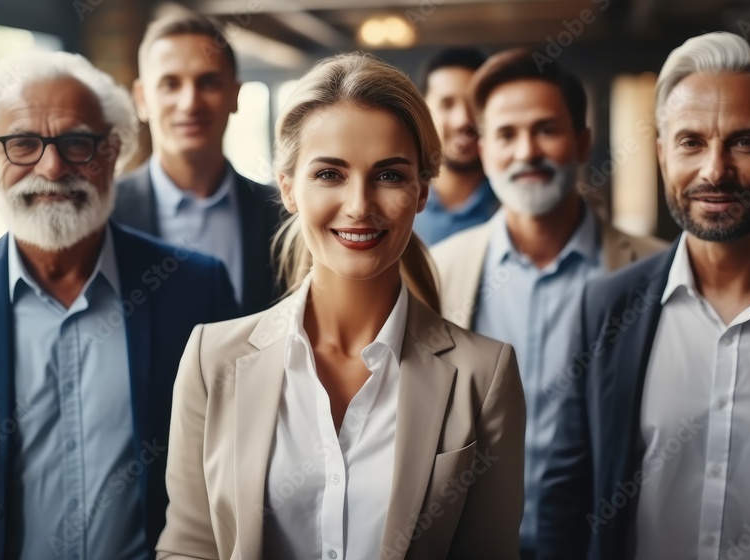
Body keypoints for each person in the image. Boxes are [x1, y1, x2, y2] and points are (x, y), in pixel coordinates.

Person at [155, 53, 526, 560]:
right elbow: (190, 548)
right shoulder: (211, 359)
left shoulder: (484, 375)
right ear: (288, 188)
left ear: (421, 192)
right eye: (330, 174)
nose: (359, 204)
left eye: (390, 176)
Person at [0, 51, 239, 560]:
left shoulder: (196, 288)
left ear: (112, 153)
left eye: (77, 142)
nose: (51, 166)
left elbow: (234, 463)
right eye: (23, 143)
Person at [537, 32, 750, 560]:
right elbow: (565, 499)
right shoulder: (606, 309)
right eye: (691, 142)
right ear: (663, 153)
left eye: (745, 142)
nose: (715, 171)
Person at [430, 47, 667, 559]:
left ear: (582, 140)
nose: (526, 152)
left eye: (546, 129)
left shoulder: (655, 271)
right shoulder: (438, 273)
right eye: (506, 135)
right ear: (484, 147)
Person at [113, 9, 284, 315]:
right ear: (141, 98)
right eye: (170, 84)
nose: (190, 103)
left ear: (234, 95)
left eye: (208, 82)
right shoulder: (106, 212)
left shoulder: (281, 214)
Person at [413, 47, 500, 245]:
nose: (463, 120)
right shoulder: (396, 203)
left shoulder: (515, 205)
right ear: (423, 113)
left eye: (475, 104)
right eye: (447, 103)